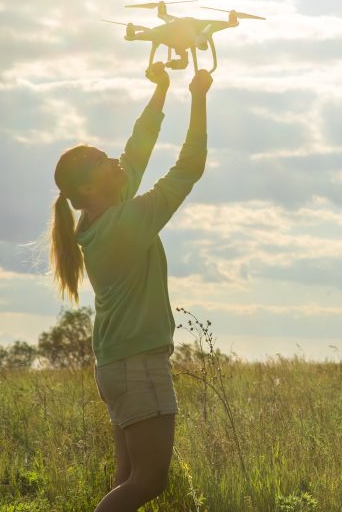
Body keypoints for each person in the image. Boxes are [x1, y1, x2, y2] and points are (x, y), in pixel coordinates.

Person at [49, 62, 211, 511]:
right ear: (89, 185)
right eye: (103, 162)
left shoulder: (101, 214)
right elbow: (188, 168)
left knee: (127, 479)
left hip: (116, 364)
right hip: (138, 365)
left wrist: (161, 91)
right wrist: (198, 96)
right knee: (148, 482)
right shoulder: (124, 224)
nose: (115, 160)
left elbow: (136, 151)